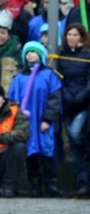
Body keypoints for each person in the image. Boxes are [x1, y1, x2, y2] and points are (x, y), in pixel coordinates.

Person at [7, 41, 66, 197]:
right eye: (27, 52)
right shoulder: (19, 78)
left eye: (33, 51)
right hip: (25, 123)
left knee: (47, 152)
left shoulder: (49, 75)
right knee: (30, 153)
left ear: (40, 54)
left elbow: (54, 99)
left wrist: (47, 119)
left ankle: (51, 184)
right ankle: (34, 184)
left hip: (43, 122)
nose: (30, 55)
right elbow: (12, 100)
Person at [57, 23, 90, 196]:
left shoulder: (86, 56)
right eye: (69, 35)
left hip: (83, 104)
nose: (71, 38)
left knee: (76, 134)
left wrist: (80, 96)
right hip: (68, 103)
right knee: (74, 145)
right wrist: (68, 95)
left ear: (82, 38)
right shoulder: (61, 56)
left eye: (75, 35)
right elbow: (59, 79)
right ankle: (83, 183)